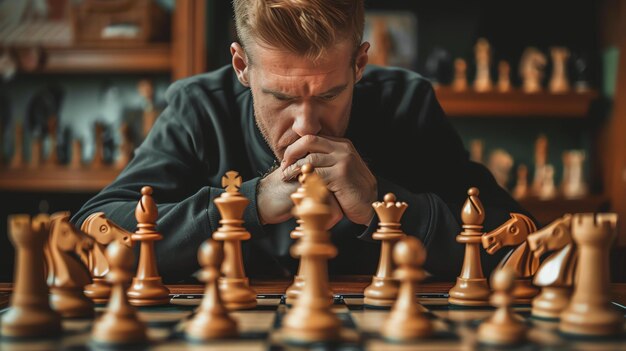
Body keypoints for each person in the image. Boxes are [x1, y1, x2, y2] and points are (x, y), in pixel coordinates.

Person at [72, 0, 529, 283]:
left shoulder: (407, 104)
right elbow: (93, 228)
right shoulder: (199, 109)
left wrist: (381, 202)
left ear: (360, 63)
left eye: (330, 94)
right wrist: (248, 203)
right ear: (241, 66)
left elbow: (512, 238)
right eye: (280, 97)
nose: (307, 125)